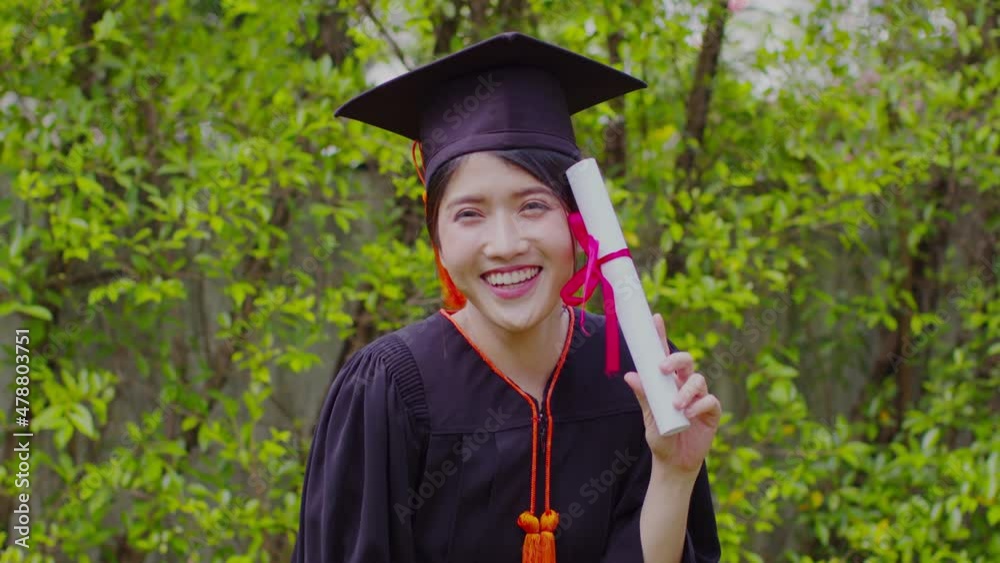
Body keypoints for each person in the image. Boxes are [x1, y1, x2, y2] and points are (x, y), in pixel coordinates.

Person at [291, 31, 722, 563]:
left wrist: (674, 472)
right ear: (437, 239)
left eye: (532, 206)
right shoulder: (390, 389)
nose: (504, 244)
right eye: (469, 214)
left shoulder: (635, 373)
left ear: (578, 223)